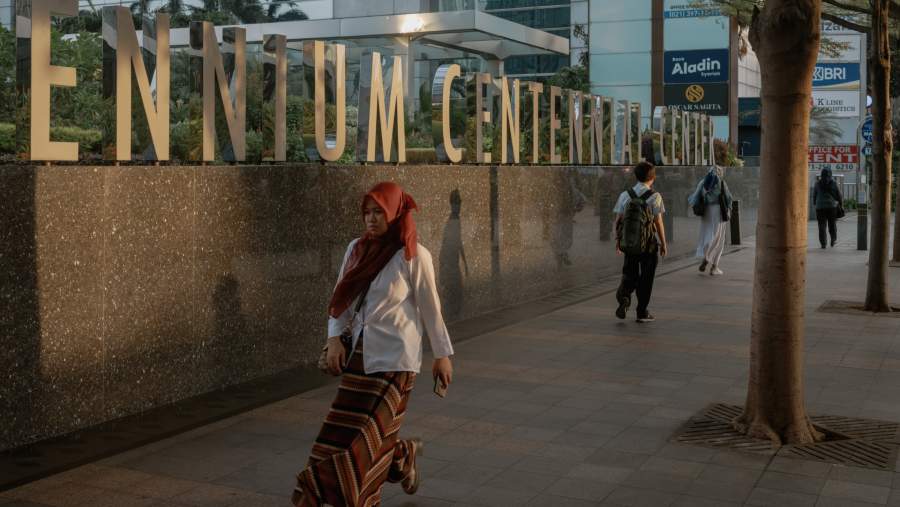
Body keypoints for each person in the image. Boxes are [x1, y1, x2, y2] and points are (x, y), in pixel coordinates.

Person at [292, 182, 454, 507]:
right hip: (360, 359)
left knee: (367, 444)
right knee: (350, 434)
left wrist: (442, 356)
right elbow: (342, 297)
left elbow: (430, 308)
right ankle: (403, 455)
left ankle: (350, 494)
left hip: (397, 362)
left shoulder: (413, 254)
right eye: (366, 212)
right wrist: (334, 339)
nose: (370, 218)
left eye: (378, 211)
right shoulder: (356, 249)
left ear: (394, 212)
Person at [614, 161, 668, 323]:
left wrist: (618, 241)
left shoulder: (625, 195)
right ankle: (642, 311)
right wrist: (663, 243)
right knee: (646, 277)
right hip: (649, 244)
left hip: (630, 242)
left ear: (635, 176)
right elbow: (658, 222)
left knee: (629, 273)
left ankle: (624, 299)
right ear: (653, 177)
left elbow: (618, 221)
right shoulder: (655, 196)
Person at [690, 166, 733, 276]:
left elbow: (694, 197)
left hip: (706, 211)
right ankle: (714, 266)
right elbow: (728, 198)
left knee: (707, 234)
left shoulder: (703, 182)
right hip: (718, 211)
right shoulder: (722, 183)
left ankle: (706, 256)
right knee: (719, 238)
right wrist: (729, 209)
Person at [812, 168, 843, 248]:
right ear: (830, 174)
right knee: (832, 224)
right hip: (831, 206)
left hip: (820, 207)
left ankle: (823, 243)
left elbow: (814, 195)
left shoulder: (817, 183)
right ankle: (833, 239)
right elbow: (839, 195)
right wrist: (841, 205)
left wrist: (815, 203)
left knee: (821, 225)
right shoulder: (834, 183)